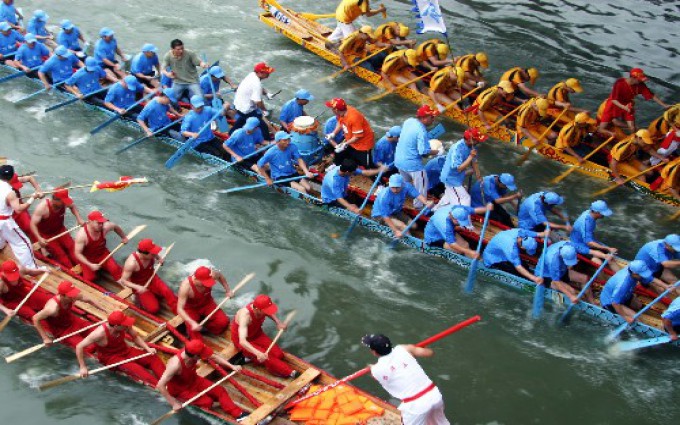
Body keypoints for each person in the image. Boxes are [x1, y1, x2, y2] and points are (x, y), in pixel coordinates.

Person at [361, 333, 450, 425]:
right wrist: (412, 351)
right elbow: (429, 353)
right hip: (434, 395)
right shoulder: (403, 349)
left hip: (416, 406)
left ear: (374, 352)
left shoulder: (376, 370)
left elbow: (378, 376)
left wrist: (371, 367)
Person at [156, 339, 246, 420]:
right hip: (181, 391)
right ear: (194, 356)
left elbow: (214, 357)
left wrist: (232, 366)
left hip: (194, 380)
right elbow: (160, 385)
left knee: (220, 391)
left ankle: (239, 414)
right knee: (208, 402)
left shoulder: (191, 351)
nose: (204, 356)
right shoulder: (174, 365)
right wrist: (173, 403)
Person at [76, 310, 165, 385]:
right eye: (124, 324)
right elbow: (79, 346)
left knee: (152, 358)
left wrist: (147, 348)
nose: (127, 325)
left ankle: (167, 381)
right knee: (140, 372)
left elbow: (135, 337)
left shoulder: (124, 325)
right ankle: (159, 387)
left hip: (126, 350)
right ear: (116, 326)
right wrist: (83, 367)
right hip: (112, 358)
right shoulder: (99, 333)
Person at [231, 294, 296, 378]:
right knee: (267, 357)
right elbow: (242, 341)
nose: (268, 312)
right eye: (266, 310)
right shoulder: (245, 316)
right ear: (257, 309)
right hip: (245, 341)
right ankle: (291, 373)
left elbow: (269, 313)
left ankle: (250, 358)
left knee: (279, 355)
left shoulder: (259, 307)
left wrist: (278, 322)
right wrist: (258, 353)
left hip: (257, 334)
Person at [598, 68, 670, 136]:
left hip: (628, 106)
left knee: (632, 128)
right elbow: (614, 100)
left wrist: (664, 105)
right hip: (613, 105)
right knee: (602, 128)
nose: (641, 81)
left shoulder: (640, 85)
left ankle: (632, 139)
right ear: (633, 78)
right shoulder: (620, 83)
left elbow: (651, 95)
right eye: (639, 79)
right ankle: (615, 123)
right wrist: (611, 134)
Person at [394, 105, 441, 208]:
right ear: (424, 118)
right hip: (412, 164)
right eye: (432, 117)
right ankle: (418, 208)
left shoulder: (409, 121)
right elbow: (423, 152)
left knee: (404, 183)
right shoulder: (422, 131)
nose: (434, 119)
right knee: (422, 186)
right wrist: (437, 152)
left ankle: (398, 199)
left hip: (398, 160)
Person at [32, 280, 99, 348]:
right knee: (89, 347)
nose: (73, 297)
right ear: (62, 295)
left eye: (73, 294)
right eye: (70, 295)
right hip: (62, 330)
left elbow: (89, 300)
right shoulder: (52, 308)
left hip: (72, 321)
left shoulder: (74, 296)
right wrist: (45, 338)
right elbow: (35, 318)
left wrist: (102, 309)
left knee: (97, 332)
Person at [120, 238, 178, 314]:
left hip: (152, 277)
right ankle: (136, 298)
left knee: (167, 292)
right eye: (152, 254)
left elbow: (155, 253)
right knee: (154, 309)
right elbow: (123, 281)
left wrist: (159, 258)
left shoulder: (150, 254)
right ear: (144, 253)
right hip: (140, 285)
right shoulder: (131, 263)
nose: (154, 254)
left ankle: (177, 311)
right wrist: (138, 287)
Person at [600, 261, 669, 323]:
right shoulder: (623, 284)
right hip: (610, 303)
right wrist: (625, 317)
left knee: (638, 305)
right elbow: (615, 303)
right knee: (636, 318)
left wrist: (666, 286)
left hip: (625, 296)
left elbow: (651, 279)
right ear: (634, 274)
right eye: (642, 274)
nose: (644, 276)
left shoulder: (636, 272)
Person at [30, 189, 84, 268]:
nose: (65, 203)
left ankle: (82, 266)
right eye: (63, 201)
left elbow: (72, 206)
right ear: (55, 200)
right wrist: (39, 238)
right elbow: (32, 224)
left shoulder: (64, 203)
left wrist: (79, 218)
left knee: (72, 246)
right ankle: (72, 270)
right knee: (60, 255)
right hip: (47, 235)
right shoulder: (43, 208)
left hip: (60, 230)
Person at [435, 128, 487, 210]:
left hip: (458, 178)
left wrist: (478, 175)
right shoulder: (457, 148)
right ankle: (460, 219)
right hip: (451, 179)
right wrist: (470, 156)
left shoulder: (472, 147)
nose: (479, 142)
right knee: (465, 199)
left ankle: (434, 211)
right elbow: (458, 168)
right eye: (477, 140)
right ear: (470, 140)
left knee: (447, 199)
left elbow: (474, 161)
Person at [177, 266, 234, 340]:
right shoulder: (185, 287)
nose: (206, 285)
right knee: (194, 336)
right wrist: (192, 322)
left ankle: (205, 327)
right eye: (204, 283)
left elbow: (220, 276)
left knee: (223, 322)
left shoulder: (211, 274)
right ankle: (192, 329)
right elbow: (179, 309)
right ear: (196, 279)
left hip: (207, 303)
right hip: (191, 308)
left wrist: (228, 290)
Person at [0, 165, 39, 269]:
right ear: (12, 176)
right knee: (23, 244)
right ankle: (31, 268)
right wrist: (32, 198)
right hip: (5, 221)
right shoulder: (10, 192)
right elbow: (18, 209)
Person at [73, 210, 126, 282]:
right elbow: (77, 253)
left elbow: (115, 227)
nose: (101, 225)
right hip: (88, 258)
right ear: (90, 221)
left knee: (115, 269)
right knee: (90, 279)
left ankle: (123, 283)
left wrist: (123, 237)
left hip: (102, 254)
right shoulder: (82, 235)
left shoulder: (104, 227)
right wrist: (90, 265)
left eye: (102, 223)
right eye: (98, 223)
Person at [325, 97, 376, 168]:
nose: (331, 109)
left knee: (366, 164)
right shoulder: (343, 110)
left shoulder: (354, 118)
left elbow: (358, 136)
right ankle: (337, 166)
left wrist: (345, 144)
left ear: (336, 110)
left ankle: (372, 175)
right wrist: (333, 133)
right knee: (339, 153)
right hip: (351, 140)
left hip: (363, 145)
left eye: (331, 108)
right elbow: (340, 122)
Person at [423, 204, 490, 258]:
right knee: (460, 250)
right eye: (460, 222)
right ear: (454, 219)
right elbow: (452, 244)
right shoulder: (445, 224)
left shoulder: (459, 208)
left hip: (445, 230)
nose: (462, 224)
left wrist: (487, 208)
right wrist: (469, 252)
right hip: (434, 238)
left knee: (466, 245)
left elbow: (474, 210)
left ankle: (474, 260)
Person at [570, 200, 620, 270]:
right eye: (602, 213)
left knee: (610, 258)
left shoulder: (589, 212)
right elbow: (589, 243)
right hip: (580, 246)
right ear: (596, 212)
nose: (603, 215)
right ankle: (603, 279)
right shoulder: (586, 222)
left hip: (587, 242)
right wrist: (607, 248)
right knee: (598, 263)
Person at [231, 62, 275, 140]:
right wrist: (264, 110)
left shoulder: (252, 75)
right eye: (266, 72)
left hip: (238, 105)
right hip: (246, 109)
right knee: (263, 125)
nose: (269, 74)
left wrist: (267, 93)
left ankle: (231, 132)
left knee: (242, 119)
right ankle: (267, 141)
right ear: (259, 73)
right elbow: (257, 101)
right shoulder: (256, 83)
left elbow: (259, 88)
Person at [180, 95, 232, 160]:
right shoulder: (189, 117)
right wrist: (192, 134)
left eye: (201, 106)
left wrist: (225, 107)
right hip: (198, 143)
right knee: (217, 154)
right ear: (192, 106)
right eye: (198, 107)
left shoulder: (207, 109)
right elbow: (183, 132)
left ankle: (233, 164)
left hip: (210, 138)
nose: (200, 109)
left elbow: (221, 114)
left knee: (226, 151)